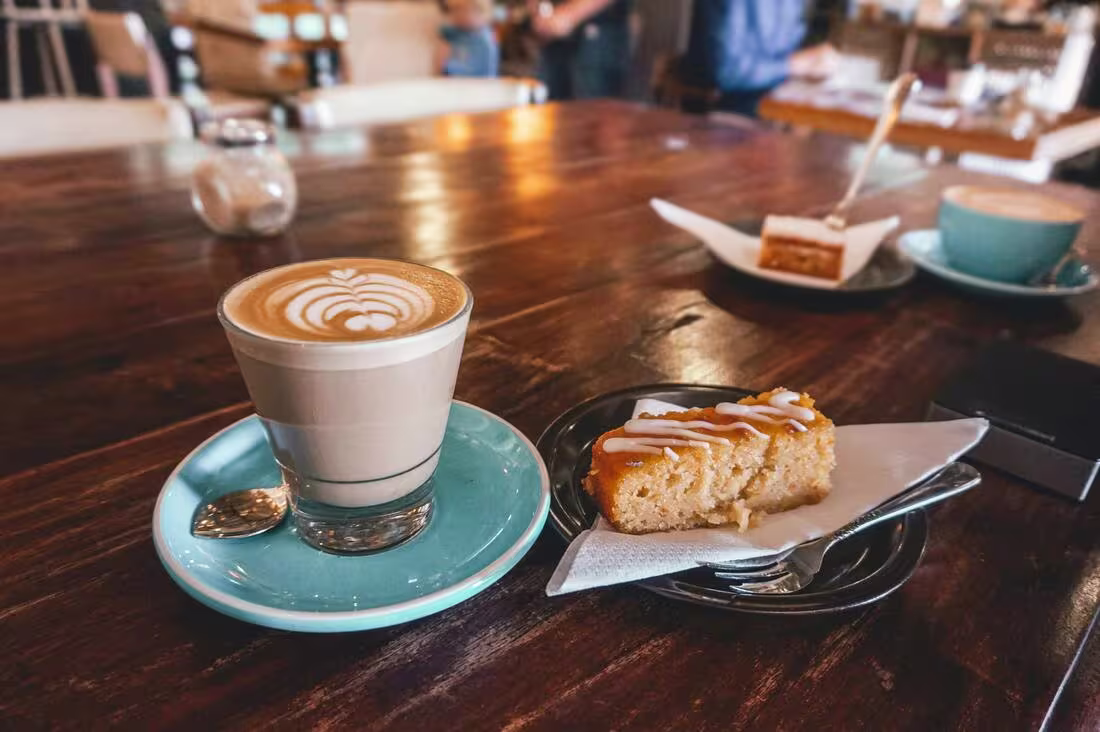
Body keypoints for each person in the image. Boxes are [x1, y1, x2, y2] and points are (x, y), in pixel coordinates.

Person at [682, 0, 838, 117]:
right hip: (721, 110)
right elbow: (728, 71)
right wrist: (795, 65)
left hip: (770, 103)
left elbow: (789, 45)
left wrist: (813, 60)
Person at [529, 0, 632, 100]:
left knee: (592, 112)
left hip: (597, 34)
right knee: (545, 107)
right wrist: (537, 13)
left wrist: (569, 14)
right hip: (553, 34)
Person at [437, 0, 500, 78]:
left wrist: (448, 67)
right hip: (455, 81)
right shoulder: (458, 31)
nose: (460, 16)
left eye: (465, 11)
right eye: (456, 10)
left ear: (482, 12)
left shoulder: (484, 41)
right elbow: (444, 31)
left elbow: (475, 69)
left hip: (478, 83)